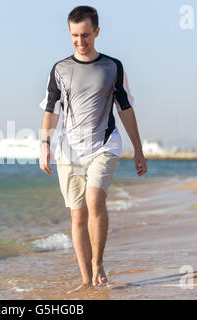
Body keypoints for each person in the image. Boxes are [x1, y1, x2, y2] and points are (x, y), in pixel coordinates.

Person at [38, 5, 147, 294]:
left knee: (95, 199)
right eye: (74, 35)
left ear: (96, 32)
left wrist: (138, 148)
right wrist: (45, 144)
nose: (80, 41)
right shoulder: (60, 69)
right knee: (77, 215)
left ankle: (98, 264)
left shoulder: (113, 66)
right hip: (69, 152)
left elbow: (125, 108)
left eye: (85, 35)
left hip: (105, 145)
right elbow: (51, 111)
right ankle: (86, 279)